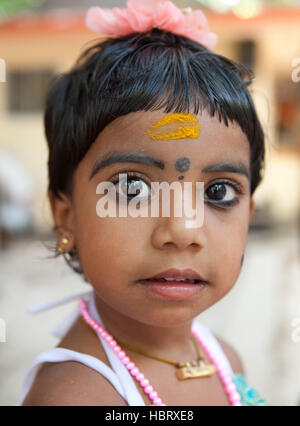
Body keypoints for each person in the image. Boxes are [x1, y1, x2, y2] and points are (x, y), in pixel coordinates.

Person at [19, 0, 269, 406]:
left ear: (249, 216)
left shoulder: (225, 359)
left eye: (218, 192)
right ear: (65, 217)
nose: (184, 231)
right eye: (133, 188)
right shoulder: (77, 395)